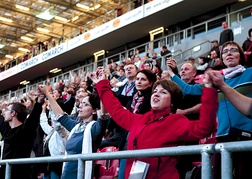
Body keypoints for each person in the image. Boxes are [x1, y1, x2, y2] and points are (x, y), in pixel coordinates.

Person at [90, 67, 218, 179]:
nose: (156, 94)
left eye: (163, 92)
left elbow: (204, 128)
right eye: (155, 91)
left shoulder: (176, 121)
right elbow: (115, 108)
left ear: (173, 102)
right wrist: (102, 84)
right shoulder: (139, 119)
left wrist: (209, 91)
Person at [168, 41, 252, 178]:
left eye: (233, 50)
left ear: (241, 56)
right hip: (223, 137)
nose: (229, 53)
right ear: (222, 59)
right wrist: (172, 74)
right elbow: (189, 89)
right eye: (225, 51)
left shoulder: (250, 73)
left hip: (247, 137)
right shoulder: (216, 80)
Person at [38, 84, 108, 179]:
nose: (80, 106)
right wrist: (47, 93)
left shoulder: (95, 128)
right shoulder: (76, 127)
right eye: (81, 103)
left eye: (85, 104)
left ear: (95, 111)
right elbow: (60, 115)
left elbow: (104, 115)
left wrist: (102, 85)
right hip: (66, 175)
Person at [0, 89, 45, 179]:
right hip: (4, 173)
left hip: (21, 175)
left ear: (13, 113)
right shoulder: (7, 130)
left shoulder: (26, 130)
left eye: (6, 110)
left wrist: (38, 102)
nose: (3, 112)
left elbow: (34, 116)